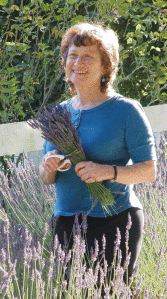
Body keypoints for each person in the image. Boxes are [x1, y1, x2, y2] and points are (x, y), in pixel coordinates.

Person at [39, 23, 157, 284]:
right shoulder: (59, 113)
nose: (77, 62)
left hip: (115, 222)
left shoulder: (126, 111)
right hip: (66, 224)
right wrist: (48, 166)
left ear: (106, 66)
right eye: (72, 55)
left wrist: (109, 172)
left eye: (87, 56)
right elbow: (46, 179)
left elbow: (149, 170)